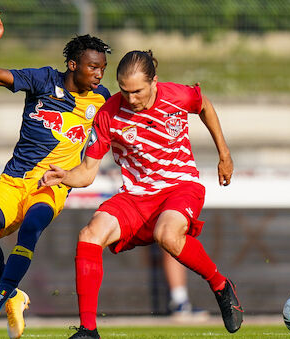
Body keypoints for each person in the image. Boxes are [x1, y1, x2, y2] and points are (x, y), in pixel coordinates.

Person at [39, 50, 243, 339]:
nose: (131, 99)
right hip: (135, 196)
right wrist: (65, 177)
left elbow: (205, 106)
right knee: (89, 235)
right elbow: (87, 171)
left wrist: (224, 154)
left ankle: (220, 285)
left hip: (180, 186)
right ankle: (88, 330)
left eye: (137, 91)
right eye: (125, 91)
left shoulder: (176, 96)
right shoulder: (108, 113)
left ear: (154, 82)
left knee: (167, 234)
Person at [0, 11, 111, 339]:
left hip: (53, 183)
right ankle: (14, 295)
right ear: (74, 65)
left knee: (33, 225)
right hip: (14, 180)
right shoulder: (42, 80)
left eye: (103, 68)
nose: (99, 74)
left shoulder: (102, 100)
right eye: (94, 66)